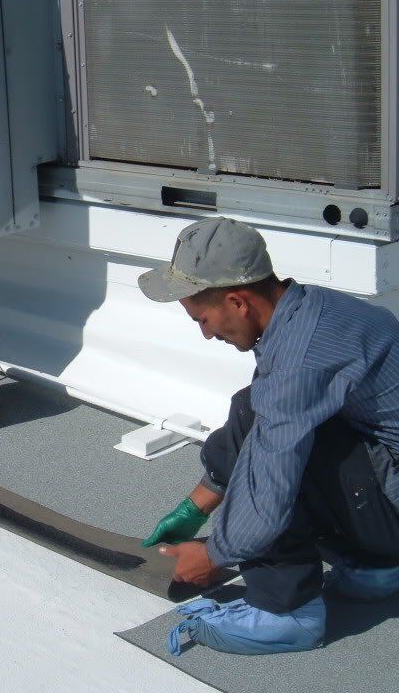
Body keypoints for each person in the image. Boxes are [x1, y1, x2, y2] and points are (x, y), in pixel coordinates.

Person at [138, 216, 399, 655]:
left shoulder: (302, 359)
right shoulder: (307, 308)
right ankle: (377, 566)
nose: (205, 334)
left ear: (238, 301)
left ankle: (288, 612)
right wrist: (198, 504)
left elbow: (270, 481)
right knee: (257, 405)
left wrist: (217, 554)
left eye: (203, 318)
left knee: (272, 453)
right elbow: (262, 413)